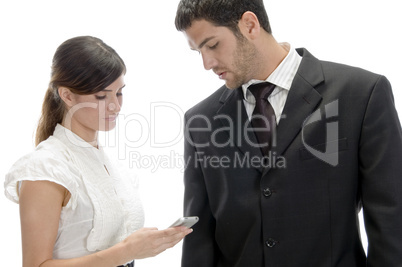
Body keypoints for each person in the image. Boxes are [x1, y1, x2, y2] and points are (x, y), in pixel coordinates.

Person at [174, 0, 402, 266]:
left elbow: (392, 219)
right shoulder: (200, 120)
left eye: (212, 45)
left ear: (249, 25)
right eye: (197, 51)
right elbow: (199, 236)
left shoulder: (361, 93)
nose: (207, 63)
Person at [4, 36, 192, 267]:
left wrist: (144, 246)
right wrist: (126, 251)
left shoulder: (113, 169)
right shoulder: (45, 167)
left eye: (119, 92)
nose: (116, 105)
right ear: (67, 95)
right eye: (102, 96)